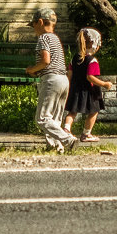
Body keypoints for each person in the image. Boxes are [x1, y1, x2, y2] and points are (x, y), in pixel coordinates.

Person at [25, 8, 76, 153]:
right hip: (63, 80)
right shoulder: (55, 38)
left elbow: (46, 61)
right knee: (55, 118)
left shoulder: (43, 38)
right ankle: (56, 146)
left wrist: (32, 70)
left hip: (51, 80)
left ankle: (67, 140)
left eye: (33, 25)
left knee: (42, 118)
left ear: (40, 22)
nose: (34, 29)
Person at [64, 27, 112, 143]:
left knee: (72, 111)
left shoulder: (75, 58)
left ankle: (66, 129)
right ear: (93, 44)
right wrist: (104, 84)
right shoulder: (92, 60)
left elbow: (69, 74)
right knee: (94, 111)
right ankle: (86, 134)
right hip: (89, 91)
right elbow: (90, 77)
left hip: (75, 89)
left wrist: (67, 87)